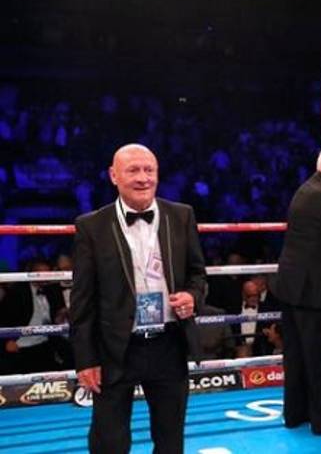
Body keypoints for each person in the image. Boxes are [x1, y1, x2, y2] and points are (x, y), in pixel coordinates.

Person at [70, 143, 207, 454]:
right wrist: (85, 359)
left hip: (168, 343)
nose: (143, 178)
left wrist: (192, 296)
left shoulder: (181, 215)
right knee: (109, 441)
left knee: (170, 438)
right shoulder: (92, 225)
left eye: (149, 170)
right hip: (115, 347)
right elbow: (82, 299)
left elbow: (197, 274)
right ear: (113, 176)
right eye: (133, 170)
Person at [274, 146, 321, 435]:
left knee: (296, 356)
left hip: (295, 288)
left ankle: (295, 413)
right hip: (314, 291)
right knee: (318, 358)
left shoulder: (308, 188)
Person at [0, 258, 66, 374]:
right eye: (41, 273)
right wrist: (6, 341)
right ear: (32, 274)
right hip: (21, 344)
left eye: (47, 273)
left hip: (44, 343)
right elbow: (3, 317)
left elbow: (53, 318)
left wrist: (60, 317)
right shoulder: (18, 292)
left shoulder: (52, 291)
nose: (45, 277)